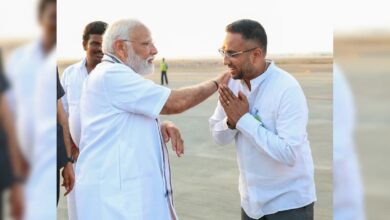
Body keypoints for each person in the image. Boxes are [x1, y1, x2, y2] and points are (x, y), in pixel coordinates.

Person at [74, 18, 229, 220]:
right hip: (116, 202)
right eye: (146, 44)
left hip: (121, 196)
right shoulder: (112, 75)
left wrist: (157, 128)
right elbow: (175, 102)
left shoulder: (112, 75)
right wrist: (217, 82)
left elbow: (116, 124)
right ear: (120, 47)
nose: (154, 50)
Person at [209, 19, 316, 220]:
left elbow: (289, 153)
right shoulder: (232, 83)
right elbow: (218, 137)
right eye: (223, 51)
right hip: (251, 205)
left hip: (288, 206)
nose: (225, 60)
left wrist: (243, 119)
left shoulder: (286, 89)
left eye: (232, 53)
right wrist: (231, 122)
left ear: (256, 55)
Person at [60, 20, 108, 220]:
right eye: (95, 43)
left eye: (104, 44)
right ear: (84, 45)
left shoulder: (115, 76)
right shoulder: (70, 75)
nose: (99, 49)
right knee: (78, 214)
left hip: (107, 163)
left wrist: (165, 124)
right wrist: (67, 158)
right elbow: (62, 116)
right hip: (77, 163)